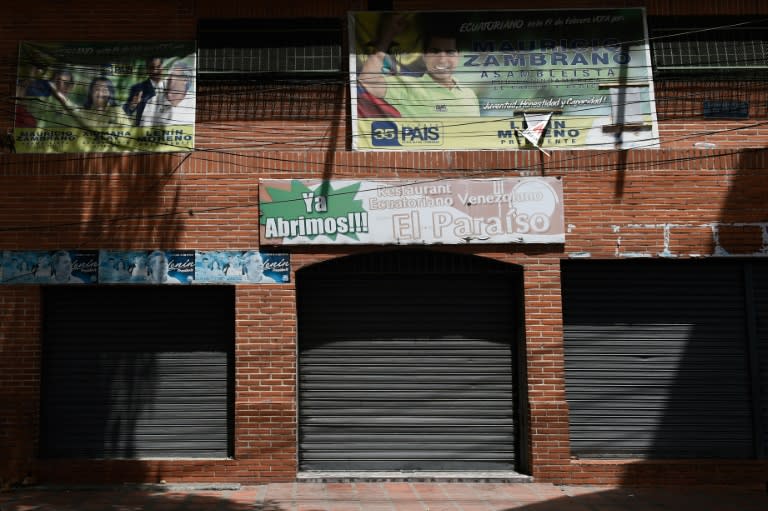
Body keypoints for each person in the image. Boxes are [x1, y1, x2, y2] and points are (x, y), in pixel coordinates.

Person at [358, 15, 480, 118]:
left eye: (450, 52)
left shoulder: (470, 94)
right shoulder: (409, 87)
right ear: (424, 56)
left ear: (458, 56)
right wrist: (386, 38)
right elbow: (367, 81)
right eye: (435, 52)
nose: (442, 59)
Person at [139, 61, 195, 126]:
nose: (169, 78)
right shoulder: (153, 101)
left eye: (173, 75)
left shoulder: (192, 103)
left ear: (185, 80)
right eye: (169, 75)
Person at [123, 57, 165, 126]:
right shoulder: (138, 88)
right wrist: (132, 105)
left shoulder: (170, 87)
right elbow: (126, 111)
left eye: (158, 67)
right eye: (152, 68)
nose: (155, 71)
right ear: (147, 70)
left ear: (163, 67)